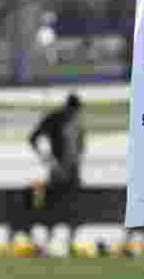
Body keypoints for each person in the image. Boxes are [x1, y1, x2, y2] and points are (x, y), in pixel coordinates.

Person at [30, 94, 86, 245]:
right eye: (73, 111)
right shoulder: (54, 119)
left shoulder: (77, 122)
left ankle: (71, 240)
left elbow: (80, 144)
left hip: (74, 170)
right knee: (54, 204)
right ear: (67, 108)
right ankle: (49, 239)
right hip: (58, 170)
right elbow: (33, 137)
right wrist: (47, 159)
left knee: (74, 204)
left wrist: (78, 159)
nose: (75, 115)